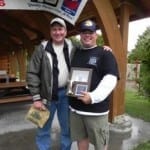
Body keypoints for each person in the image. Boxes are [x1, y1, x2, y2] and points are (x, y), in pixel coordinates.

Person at [26, 17, 112, 150]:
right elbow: (32, 73)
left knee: (67, 129)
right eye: (54, 29)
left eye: (60, 29)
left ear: (65, 31)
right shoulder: (41, 48)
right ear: (50, 32)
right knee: (43, 128)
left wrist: (103, 48)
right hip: (46, 96)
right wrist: (36, 98)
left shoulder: (73, 46)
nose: (57, 32)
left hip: (67, 95)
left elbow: (89, 48)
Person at [69, 19, 119, 150]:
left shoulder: (105, 53)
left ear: (96, 35)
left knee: (100, 144)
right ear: (80, 35)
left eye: (90, 32)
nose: (87, 35)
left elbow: (111, 79)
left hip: (96, 112)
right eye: (84, 32)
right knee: (81, 139)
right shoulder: (76, 53)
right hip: (76, 110)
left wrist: (93, 97)